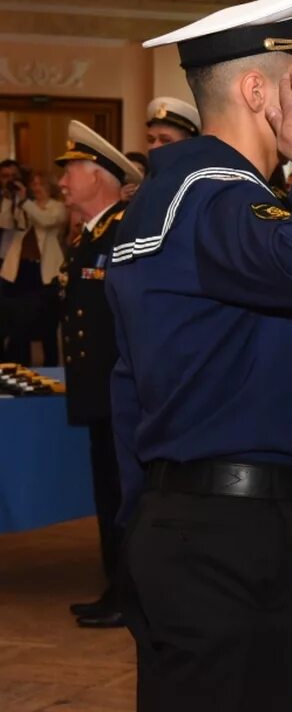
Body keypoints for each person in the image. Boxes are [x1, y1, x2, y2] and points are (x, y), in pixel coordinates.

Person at [106, 0, 292, 711]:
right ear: (260, 91)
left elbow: (129, 384)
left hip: (188, 520)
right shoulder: (217, 199)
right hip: (224, 534)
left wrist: (144, 519)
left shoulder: (172, 198)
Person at [49, 125, 139, 628]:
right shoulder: (94, 232)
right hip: (100, 392)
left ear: (99, 175)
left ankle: (129, 592)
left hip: (121, 393)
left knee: (123, 495)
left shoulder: (124, 229)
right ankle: (118, 586)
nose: (62, 183)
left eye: (70, 171)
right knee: (110, 493)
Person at [1, 171, 67, 365]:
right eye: (34, 184)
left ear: (50, 187)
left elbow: (46, 221)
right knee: (17, 325)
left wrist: (25, 203)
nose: (36, 188)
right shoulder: (24, 206)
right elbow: (5, 222)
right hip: (19, 271)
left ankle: (51, 368)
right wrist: (10, 200)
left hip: (45, 273)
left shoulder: (59, 207)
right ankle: (20, 366)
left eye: (41, 184)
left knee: (47, 325)